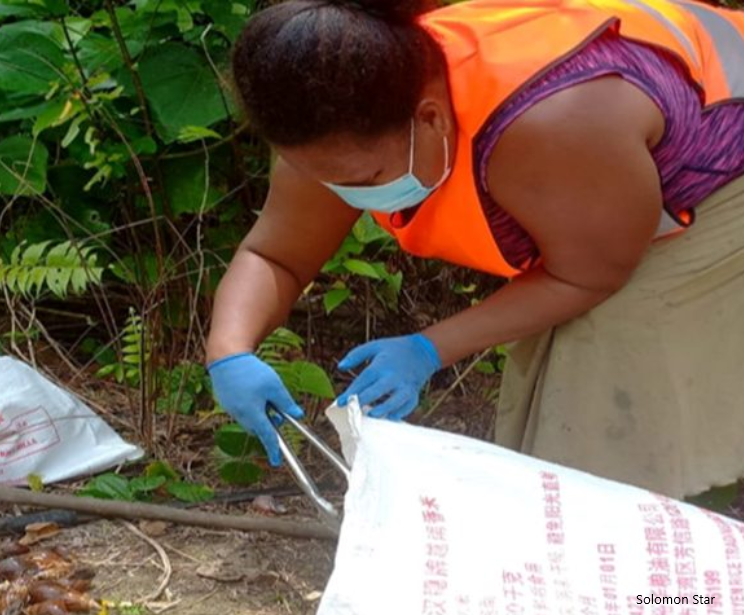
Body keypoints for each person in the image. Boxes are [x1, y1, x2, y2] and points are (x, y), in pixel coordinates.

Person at [205, 0, 744, 506]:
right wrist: (230, 351)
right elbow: (275, 255)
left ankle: (676, 577)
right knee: (553, 400)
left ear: (432, 118)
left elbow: (587, 277)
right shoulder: (334, 123)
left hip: (724, 172)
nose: (343, 195)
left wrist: (427, 349)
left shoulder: (550, 126)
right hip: (608, 192)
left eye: (363, 179)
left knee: (606, 387)